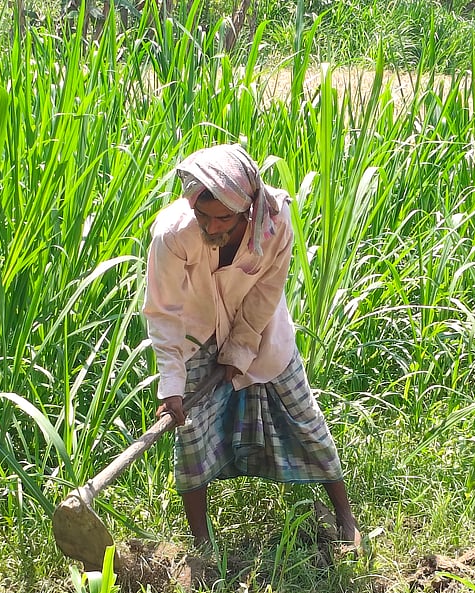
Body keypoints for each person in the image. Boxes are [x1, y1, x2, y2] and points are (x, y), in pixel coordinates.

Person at [142, 143, 360, 552]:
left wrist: (241, 348)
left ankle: (345, 519)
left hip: (261, 329)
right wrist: (171, 386)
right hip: (196, 334)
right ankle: (202, 544)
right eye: (202, 214)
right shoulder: (173, 234)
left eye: (222, 218)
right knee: (191, 435)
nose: (211, 226)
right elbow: (163, 311)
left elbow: (266, 291)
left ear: (246, 209)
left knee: (303, 415)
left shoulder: (275, 222)